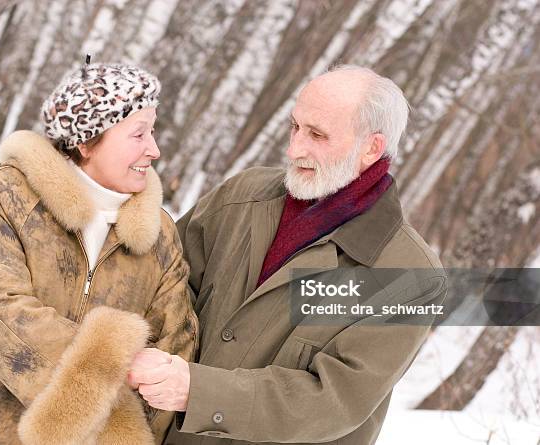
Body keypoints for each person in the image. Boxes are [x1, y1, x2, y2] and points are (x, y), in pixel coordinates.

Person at [128, 65, 448, 445]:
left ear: (371, 148)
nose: (295, 149)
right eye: (295, 127)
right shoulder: (240, 197)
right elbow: (159, 287)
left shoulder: (407, 276)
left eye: (317, 135)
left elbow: (334, 401)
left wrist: (198, 391)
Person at [0, 63, 198, 444]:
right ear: (86, 142)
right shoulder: (7, 195)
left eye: (152, 131)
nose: (154, 150)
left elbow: (173, 349)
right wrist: (111, 366)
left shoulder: (159, 234)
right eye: (138, 134)